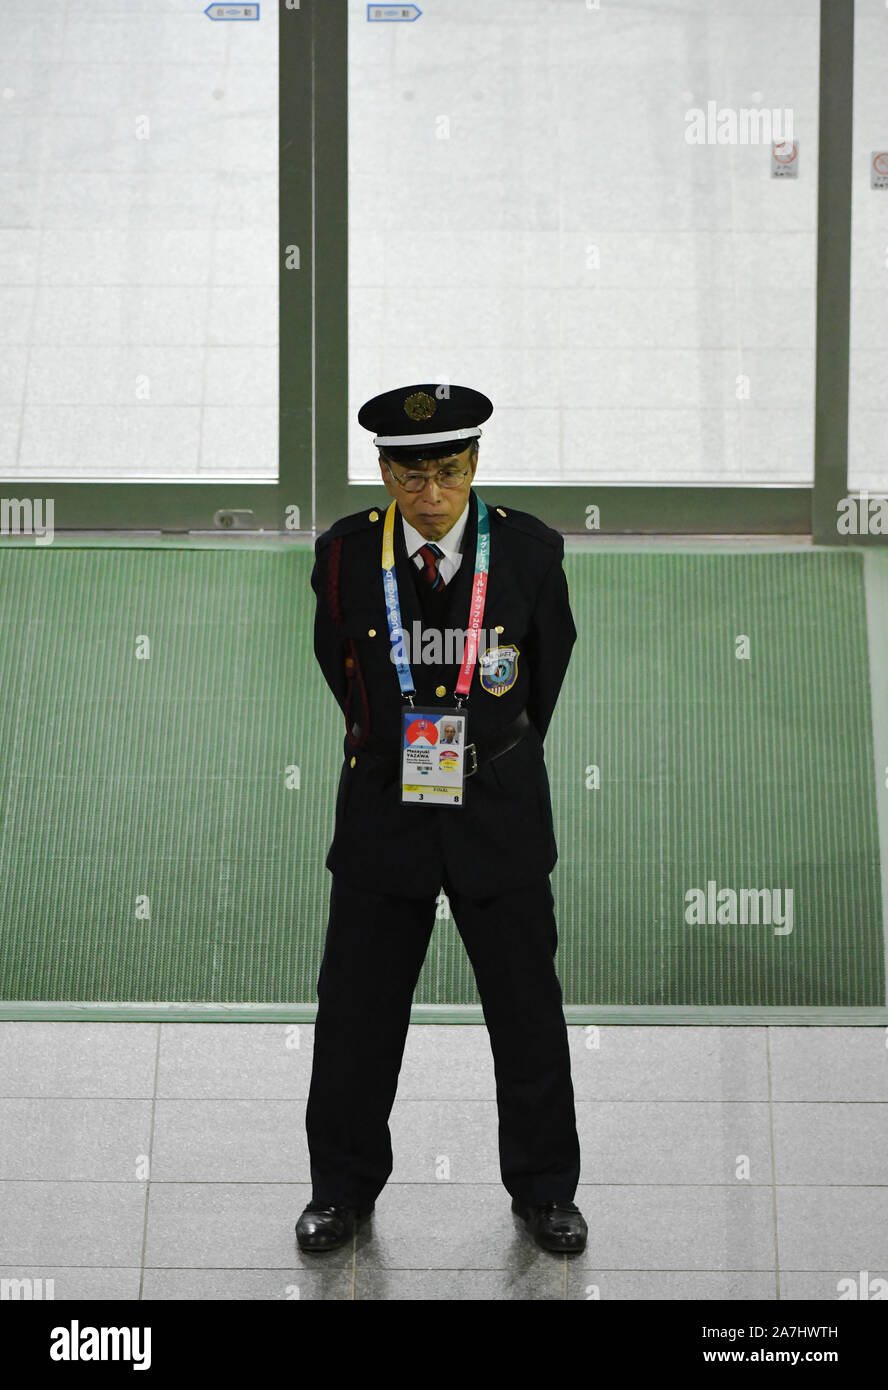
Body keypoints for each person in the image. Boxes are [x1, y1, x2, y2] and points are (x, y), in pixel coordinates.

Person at [296, 383, 586, 1256]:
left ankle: (544, 1192)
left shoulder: (530, 554)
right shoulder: (346, 557)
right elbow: (339, 666)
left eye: (449, 471)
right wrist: (394, 742)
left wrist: (486, 749)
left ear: (474, 465)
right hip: (387, 803)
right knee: (355, 1007)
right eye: (411, 474)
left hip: (495, 807)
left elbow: (546, 672)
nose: (431, 494)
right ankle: (340, 1191)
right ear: (384, 471)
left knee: (525, 1006)